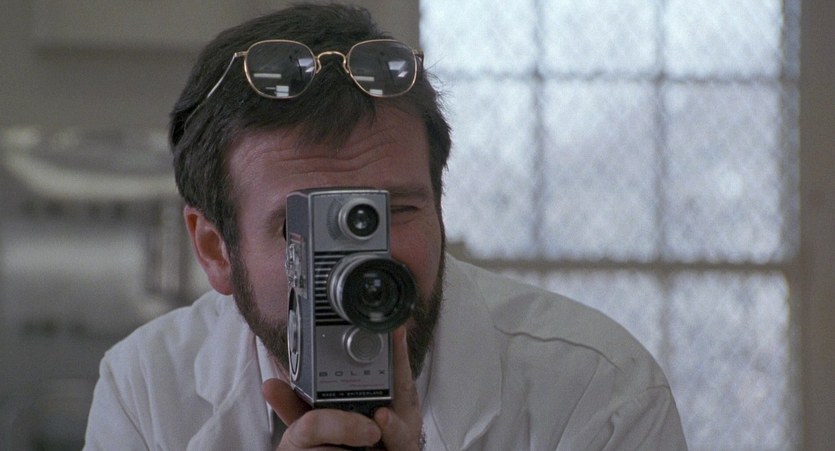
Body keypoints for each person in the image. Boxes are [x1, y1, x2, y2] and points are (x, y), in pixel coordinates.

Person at [84, 3, 686, 450]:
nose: (365, 266)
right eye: (309, 228)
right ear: (215, 249)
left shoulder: (596, 393)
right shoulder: (148, 392)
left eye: (393, 212)